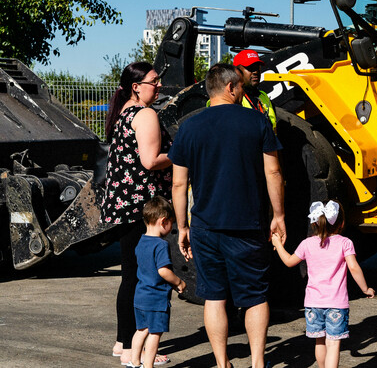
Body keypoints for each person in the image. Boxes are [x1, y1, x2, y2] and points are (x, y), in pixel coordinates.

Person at [170, 63, 286, 368]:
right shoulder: (257, 121)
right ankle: (258, 362)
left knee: (214, 297)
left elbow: (179, 184)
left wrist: (182, 226)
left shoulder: (189, 127)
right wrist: (279, 215)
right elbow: (273, 172)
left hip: (205, 226)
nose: (243, 91)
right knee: (255, 296)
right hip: (247, 224)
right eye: (241, 86)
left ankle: (222, 364)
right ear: (231, 87)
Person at [103, 62, 173, 366]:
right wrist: (181, 153)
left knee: (130, 275)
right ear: (136, 86)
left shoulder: (123, 113)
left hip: (124, 205)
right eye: (154, 81)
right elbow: (150, 160)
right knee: (141, 278)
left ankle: (123, 343)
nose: (159, 86)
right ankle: (135, 350)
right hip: (141, 207)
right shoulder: (144, 114)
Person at [271, 200, 374, 368]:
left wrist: (277, 244)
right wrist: (365, 289)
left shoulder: (307, 243)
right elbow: (354, 267)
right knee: (333, 344)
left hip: (313, 304)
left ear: (314, 223)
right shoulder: (345, 243)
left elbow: (289, 261)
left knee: (319, 341)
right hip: (336, 304)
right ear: (341, 223)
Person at [128, 196, 186, 368]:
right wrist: (179, 282)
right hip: (156, 298)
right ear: (163, 221)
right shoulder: (161, 245)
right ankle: (148, 365)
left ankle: (134, 361)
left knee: (141, 330)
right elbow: (163, 271)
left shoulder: (141, 241)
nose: (171, 228)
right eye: (171, 224)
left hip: (140, 295)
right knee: (155, 333)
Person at [233, 49, 277, 131]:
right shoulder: (231, 99)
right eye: (250, 68)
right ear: (236, 72)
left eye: (257, 67)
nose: (256, 72)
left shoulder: (264, 96)